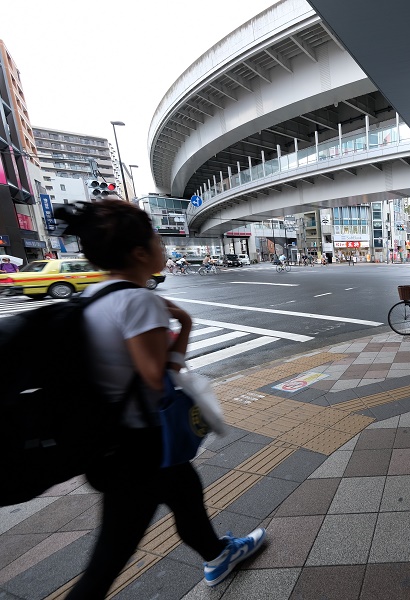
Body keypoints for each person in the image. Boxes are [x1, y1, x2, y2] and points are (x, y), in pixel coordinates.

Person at [53, 200, 265, 599]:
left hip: (113, 439)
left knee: (185, 491)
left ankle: (218, 554)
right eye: (156, 240)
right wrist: (183, 324)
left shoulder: (95, 296)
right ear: (138, 253)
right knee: (108, 559)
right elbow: (158, 378)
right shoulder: (139, 300)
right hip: (138, 446)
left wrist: (179, 323)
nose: (163, 247)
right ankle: (217, 554)